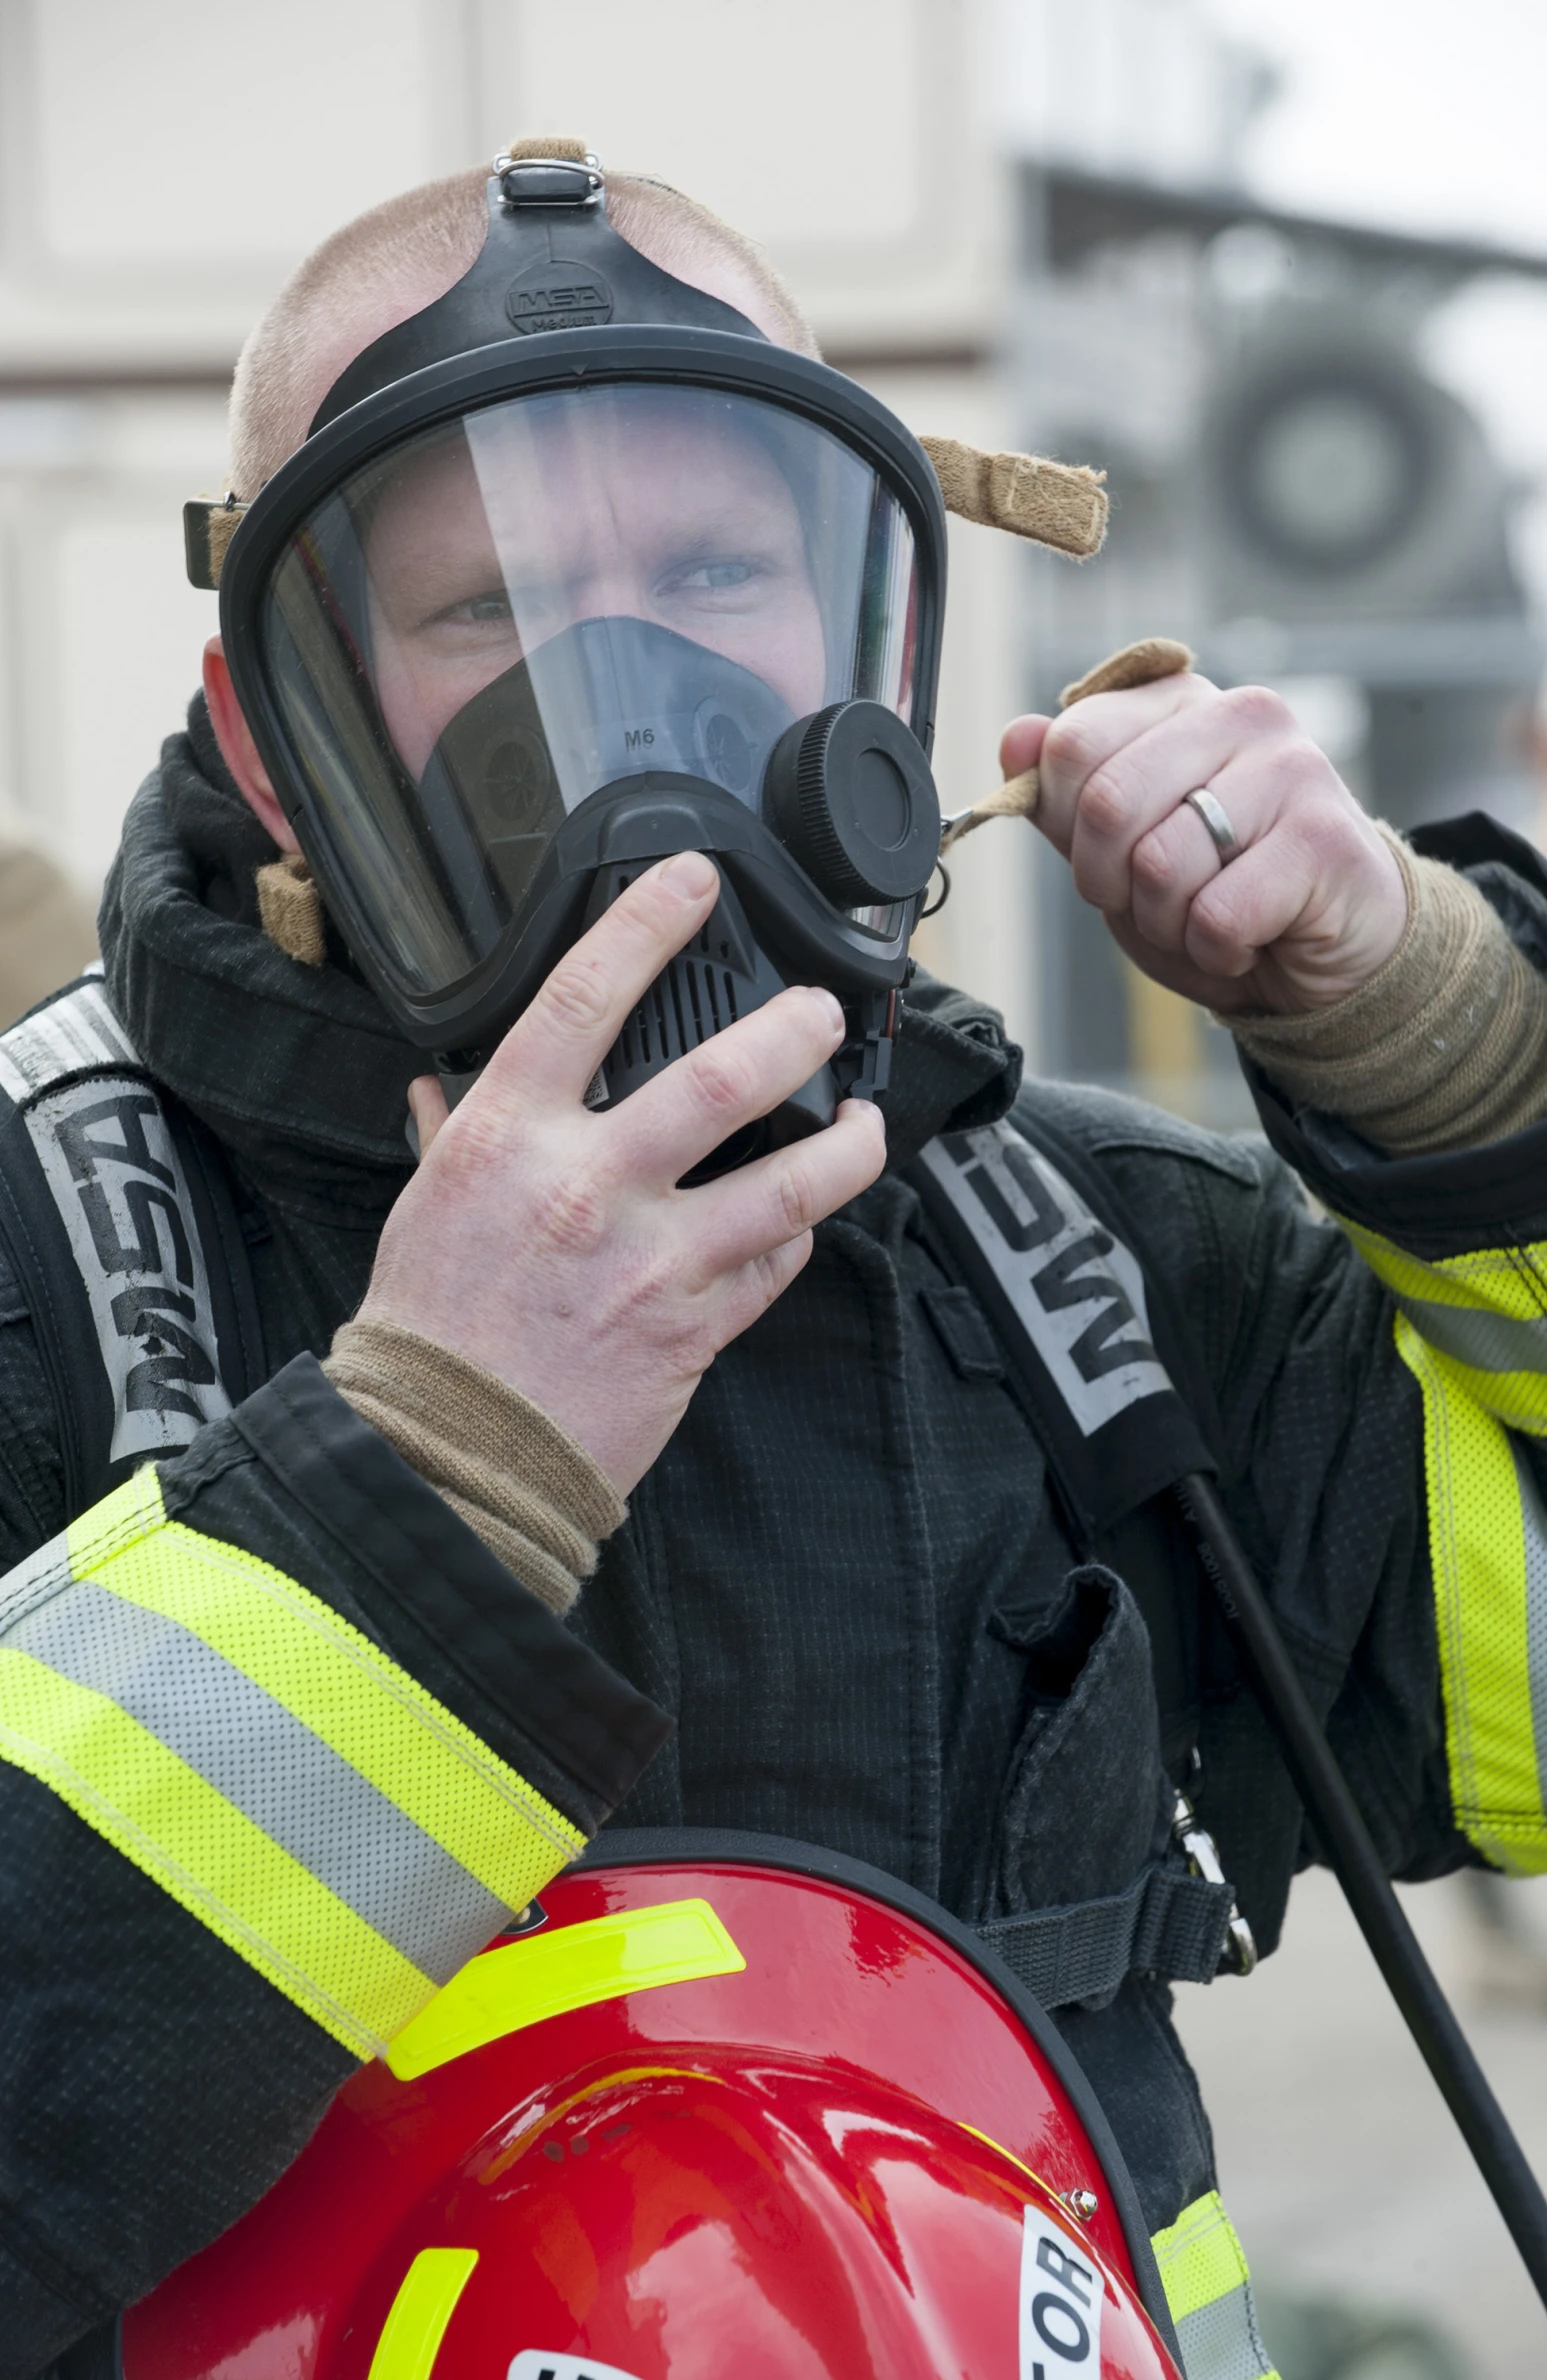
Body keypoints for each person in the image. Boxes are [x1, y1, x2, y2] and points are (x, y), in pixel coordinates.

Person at [6, 143, 1547, 2380]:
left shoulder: (1084, 1274)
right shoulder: (46, 1271)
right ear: (276, 732)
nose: (613, 684)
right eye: (479, 608)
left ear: (869, 643)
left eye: (716, 563)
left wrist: (1452, 1052)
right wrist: (424, 1476)